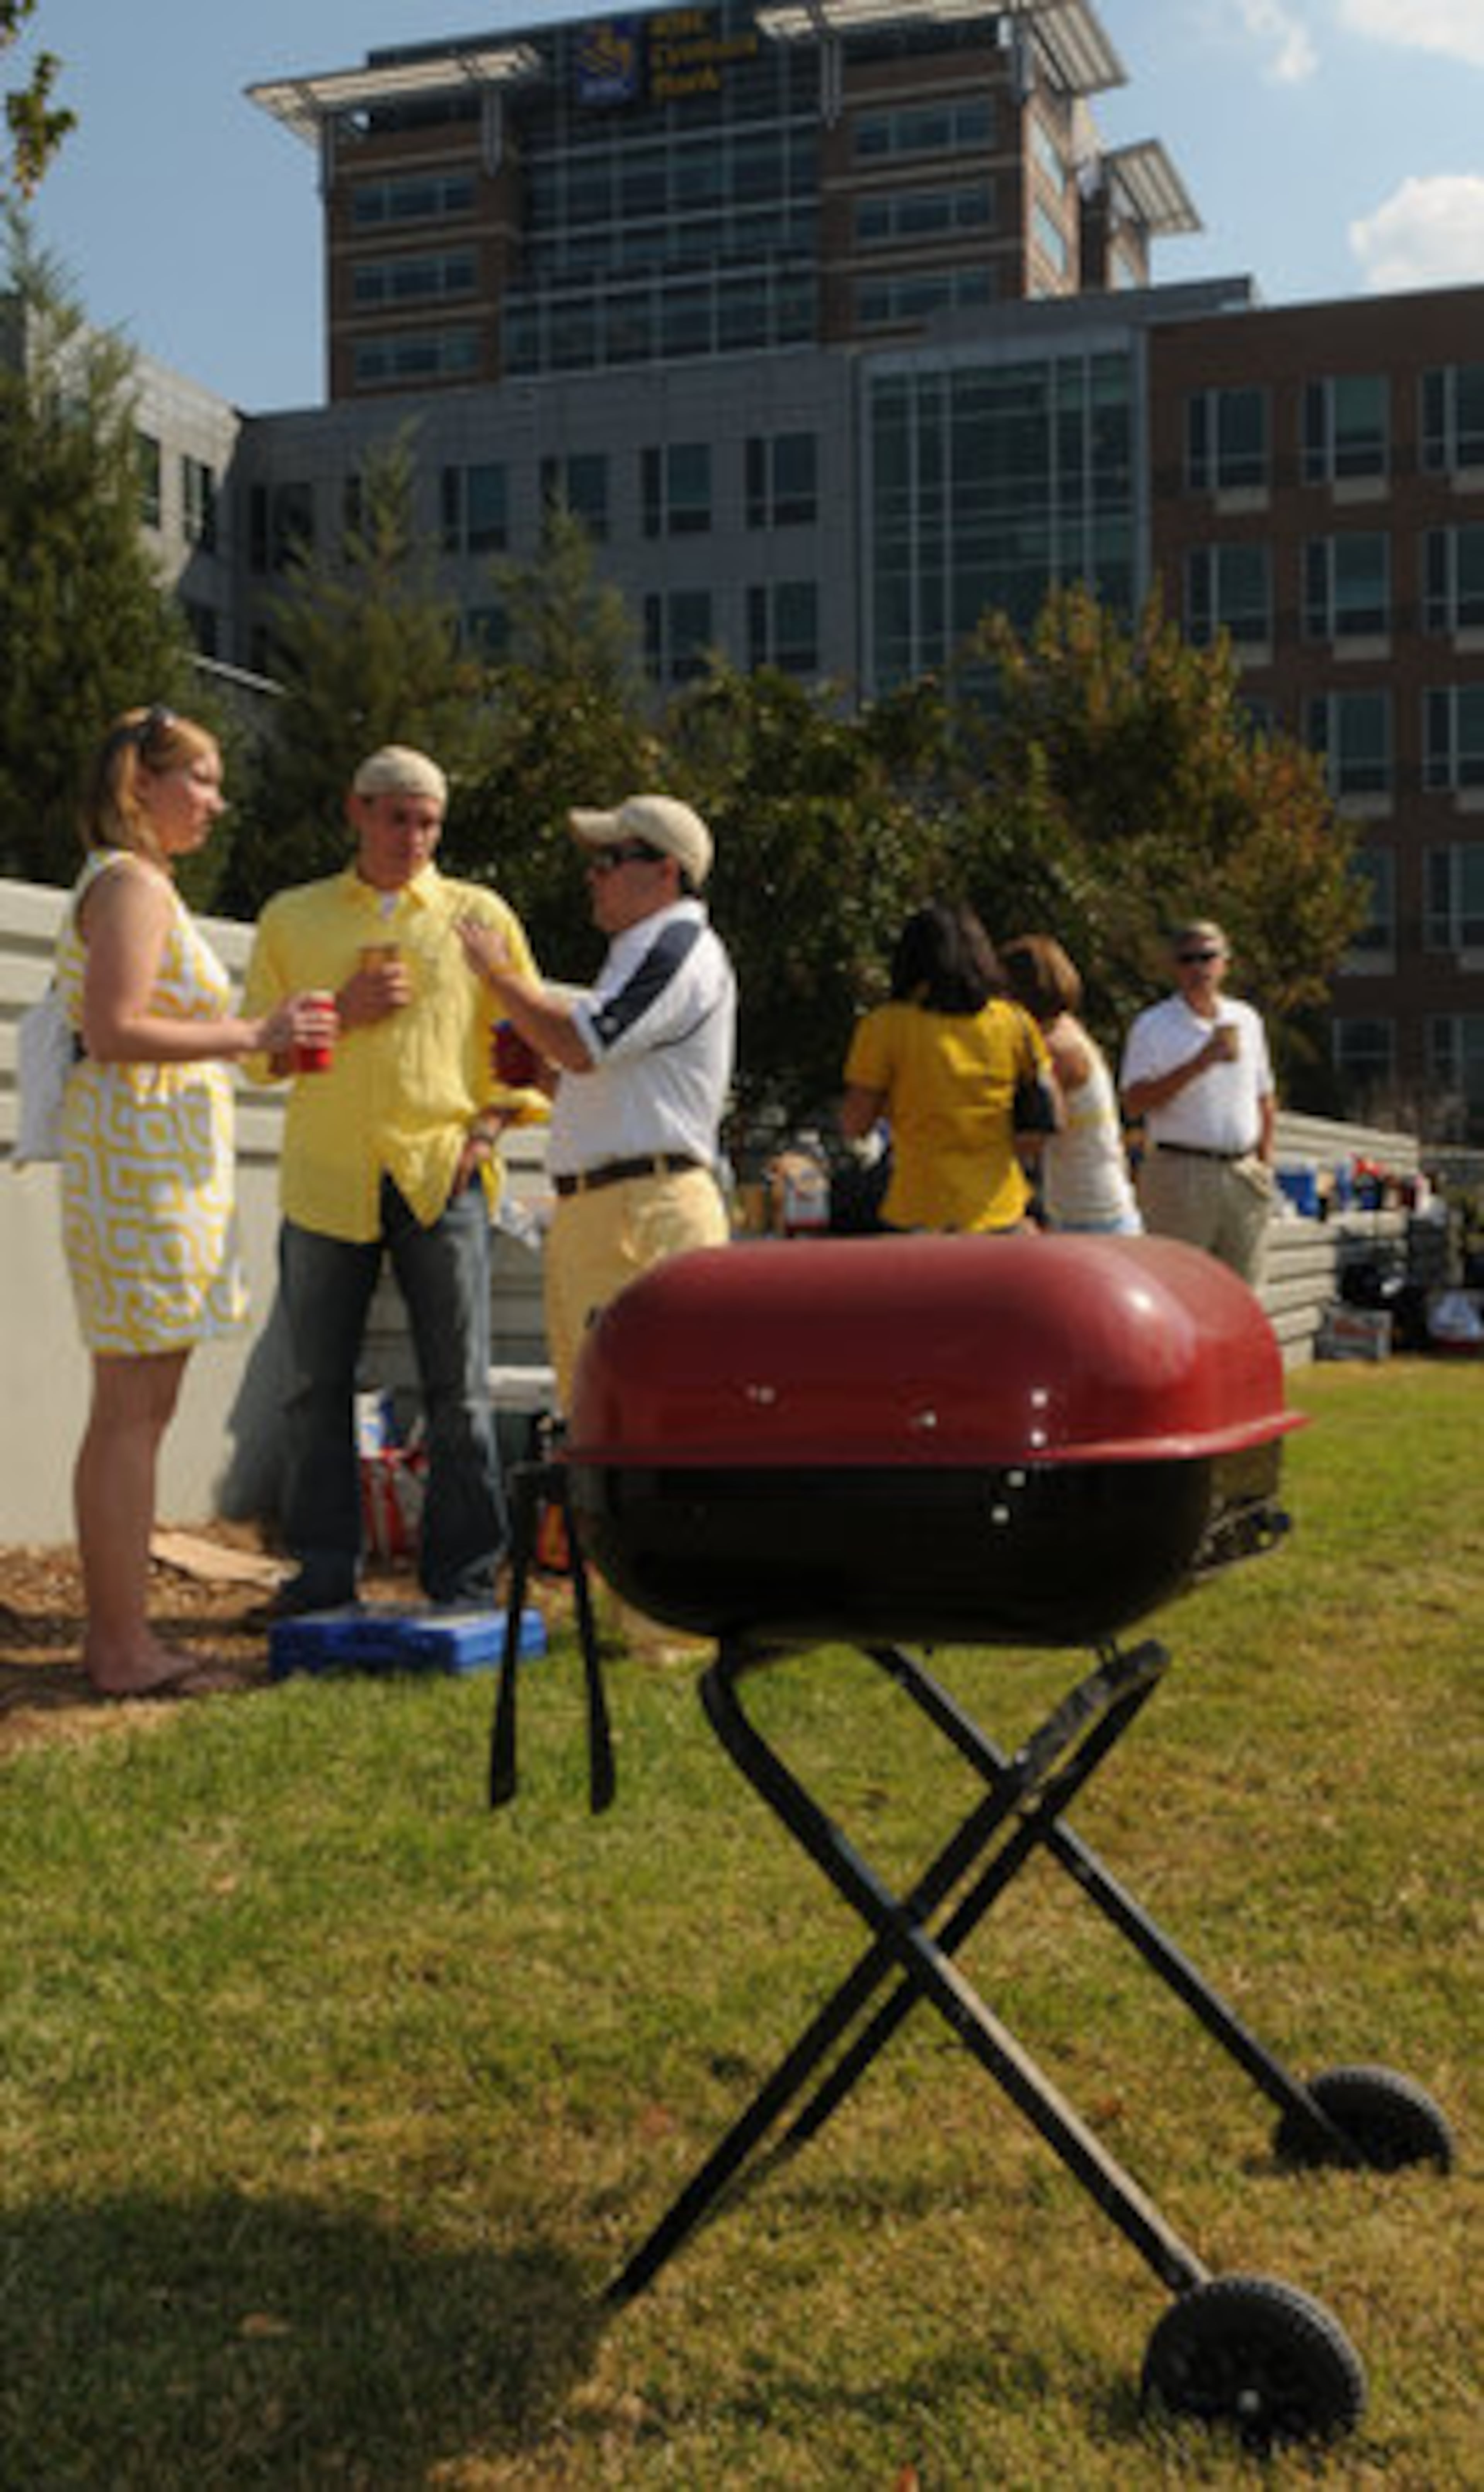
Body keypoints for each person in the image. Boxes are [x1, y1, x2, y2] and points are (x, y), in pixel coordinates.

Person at [55, 705, 327, 1697]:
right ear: (143, 785)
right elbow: (116, 1027)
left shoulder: (145, 886)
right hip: (137, 1174)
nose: (217, 800)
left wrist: (261, 1042)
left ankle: (122, 1640)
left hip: (154, 1170)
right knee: (130, 1410)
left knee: (140, 1407)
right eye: (201, 779)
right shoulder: (128, 885)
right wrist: (255, 1027)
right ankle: (123, 1650)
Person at [242, 745, 539, 1614]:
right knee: (313, 1390)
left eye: (430, 820)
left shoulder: (478, 916)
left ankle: (465, 1580)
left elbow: (522, 1046)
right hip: (327, 1178)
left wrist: (485, 1134)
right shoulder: (292, 918)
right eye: (398, 816)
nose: (415, 835)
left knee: (461, 1391)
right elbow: (262, 1056)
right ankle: (326, 1575)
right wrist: (341, 1006)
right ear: (357, 811)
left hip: (440, 1175)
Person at [457, 793, 735, 1411]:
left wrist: (501, 977)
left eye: (611, 858)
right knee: (595, 1418)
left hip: (646, 1211)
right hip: (612, 1208)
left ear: (666, 871)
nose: (595, 874)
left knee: (650, 1421)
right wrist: (543, 1078)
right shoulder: (641, 953)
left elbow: (582, 1045)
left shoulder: (678, 945)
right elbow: (617, 1085)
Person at [840, 900, 1055, 1234]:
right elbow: (1047, 1123)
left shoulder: (886, 1027)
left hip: (921, 1211)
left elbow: (855, 1124)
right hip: (1003, 1209)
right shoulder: (1015, 1024)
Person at [1119, 918, 1276, 1286]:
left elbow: (1265, 1097)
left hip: (1243, 1173)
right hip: (1179, 1170)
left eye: (1207, 957)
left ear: (1225, 963)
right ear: (1174, 968)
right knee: (1179, 1291)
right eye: (1187, 959)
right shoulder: (1153, 1025)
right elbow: (1134, 1103)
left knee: (1244, 1293)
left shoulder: (1247, 1020)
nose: (1198, 968)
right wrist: (1199, 1063)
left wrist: (1265, 1165)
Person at [1001, 933, 1142, 1235]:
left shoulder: (1058, 1051)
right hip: (1083, 1208)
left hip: (1092, 1215)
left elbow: (1035, 1134)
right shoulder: (1066, 1029)